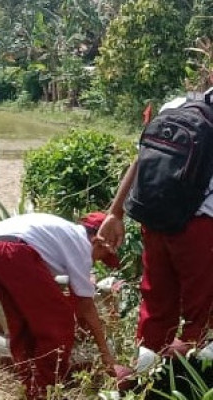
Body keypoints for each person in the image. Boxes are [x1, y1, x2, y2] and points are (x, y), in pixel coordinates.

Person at [98, 98, 213, 358]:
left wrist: (115, 213)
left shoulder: (178, 103)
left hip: (155, 218)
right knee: (202, 315)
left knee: (156, 306)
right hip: (200, 227)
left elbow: (141, 160)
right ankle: (190, 384)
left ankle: (145, 378)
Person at [0, 212, 125, 399]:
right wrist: (106, 354)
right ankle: (44, 391)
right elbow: (86, 305)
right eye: (102, 256)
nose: (96, 262)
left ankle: (29, 385)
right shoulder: (81, 247)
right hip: (14, 250)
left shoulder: (63, 235)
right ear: (99, 240)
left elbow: (72, 300)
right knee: (59, 325)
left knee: (22, 322)